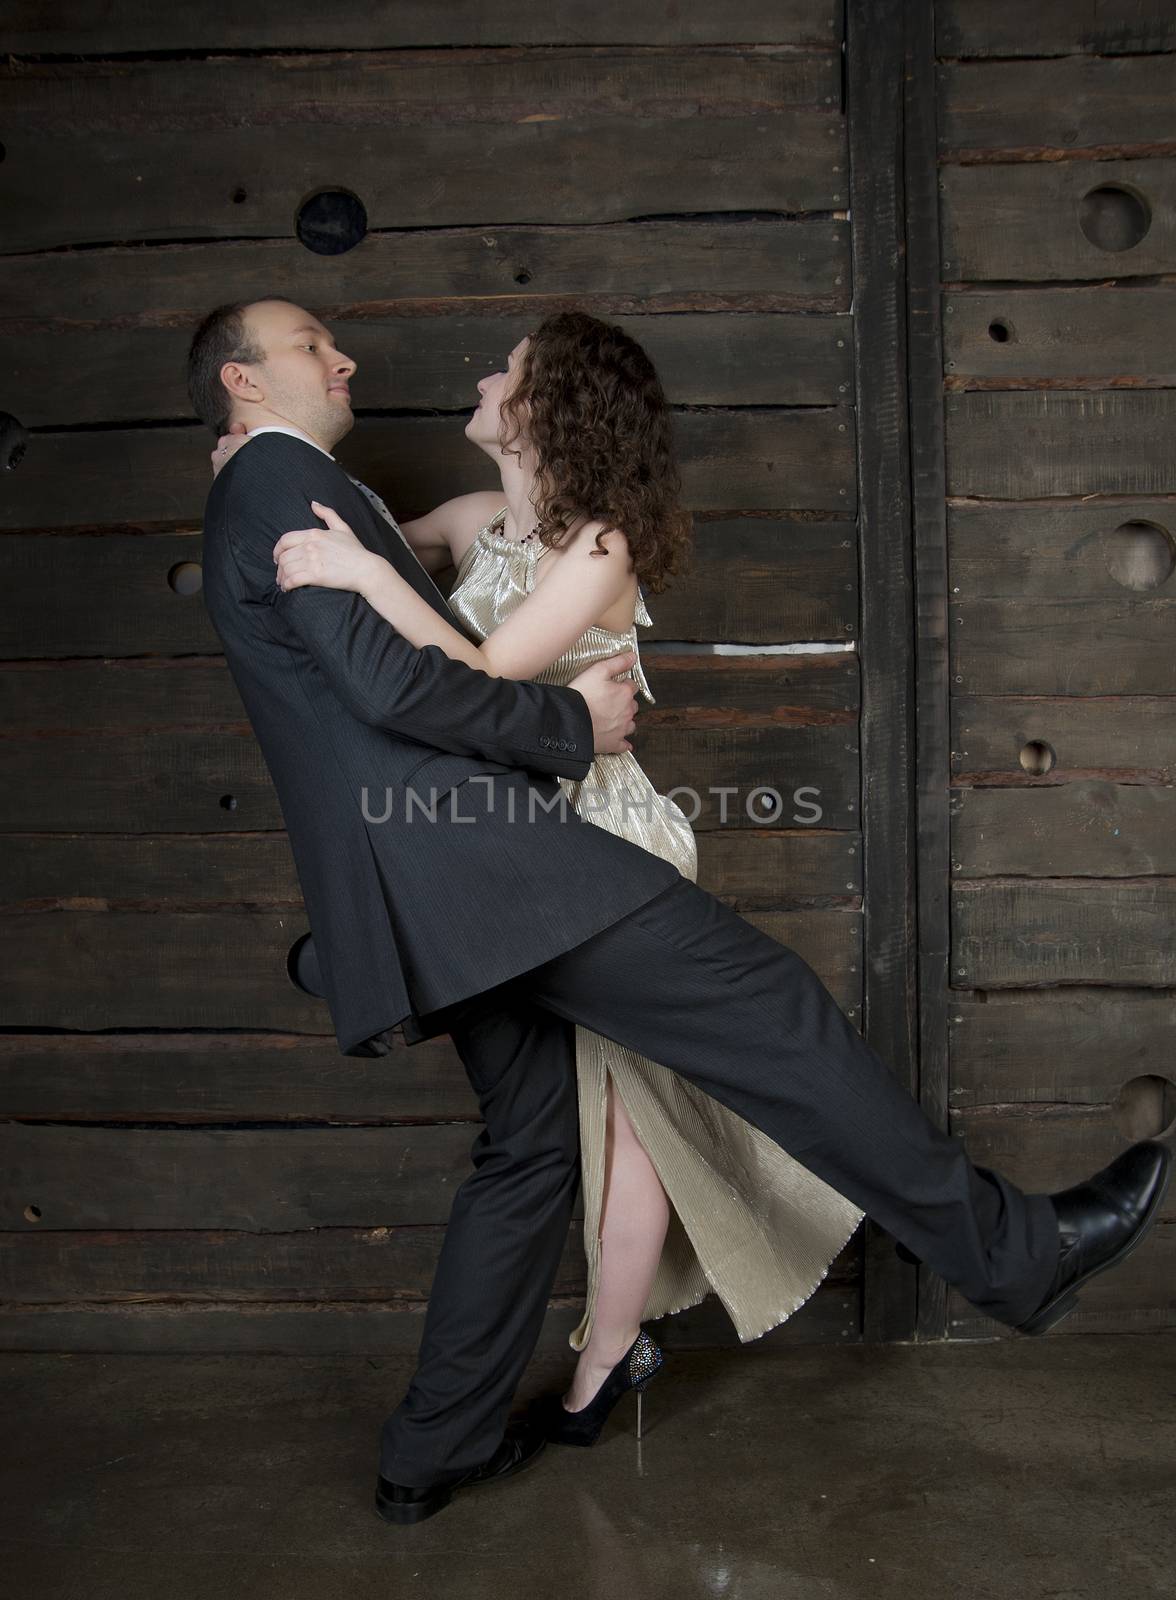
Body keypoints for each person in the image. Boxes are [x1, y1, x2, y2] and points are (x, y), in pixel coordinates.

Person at [190, 296, 1171, 1528]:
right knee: (772, 1015)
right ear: (244, 383)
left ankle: (430, 1450)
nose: (343, 358)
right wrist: (570, 726)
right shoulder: (279, 483)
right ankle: (1022, 1254)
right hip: (489, 869)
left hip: (441, 886)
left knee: (530, 1147)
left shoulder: (279, 485)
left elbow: (396, 608)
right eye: (308, 347)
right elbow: (394, 679)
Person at [209, 310, 868, 1445]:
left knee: (626, 1114)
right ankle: (607, 1356)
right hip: (511, 852)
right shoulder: (473, 519)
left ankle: (605, 1362)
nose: (480, 374)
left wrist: (364, 567)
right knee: (582, 1118)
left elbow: (470, 662)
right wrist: (256, 467)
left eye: (504, 370)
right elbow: (358, 531)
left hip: (602, 836)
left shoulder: (601, 543)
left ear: (545, 406)